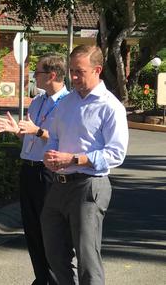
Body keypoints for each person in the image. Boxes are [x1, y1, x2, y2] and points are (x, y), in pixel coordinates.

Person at [41, 45, 128, 285]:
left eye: (80, 71)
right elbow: (55, 136)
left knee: (87, 259)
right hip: (59, 186)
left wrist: (75, 159)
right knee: (54, 254)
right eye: (72, 71)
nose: (74, 77)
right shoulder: (67, 102)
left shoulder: (110, 106)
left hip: (89, 186)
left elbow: (116, 153)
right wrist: (52, 156)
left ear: (97, 70)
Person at [0, 53, 68, 285]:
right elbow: (30, 134)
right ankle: (41, 278)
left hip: (48, 173)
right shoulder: (37, 101)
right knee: (32, 229)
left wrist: (36, 131)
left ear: (52, 75)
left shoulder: (68, 104)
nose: (34, 77)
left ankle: (56, 279)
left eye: (38, 73)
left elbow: (63, 140)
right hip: (28, 169)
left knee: (51, 230)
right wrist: (17, 130)